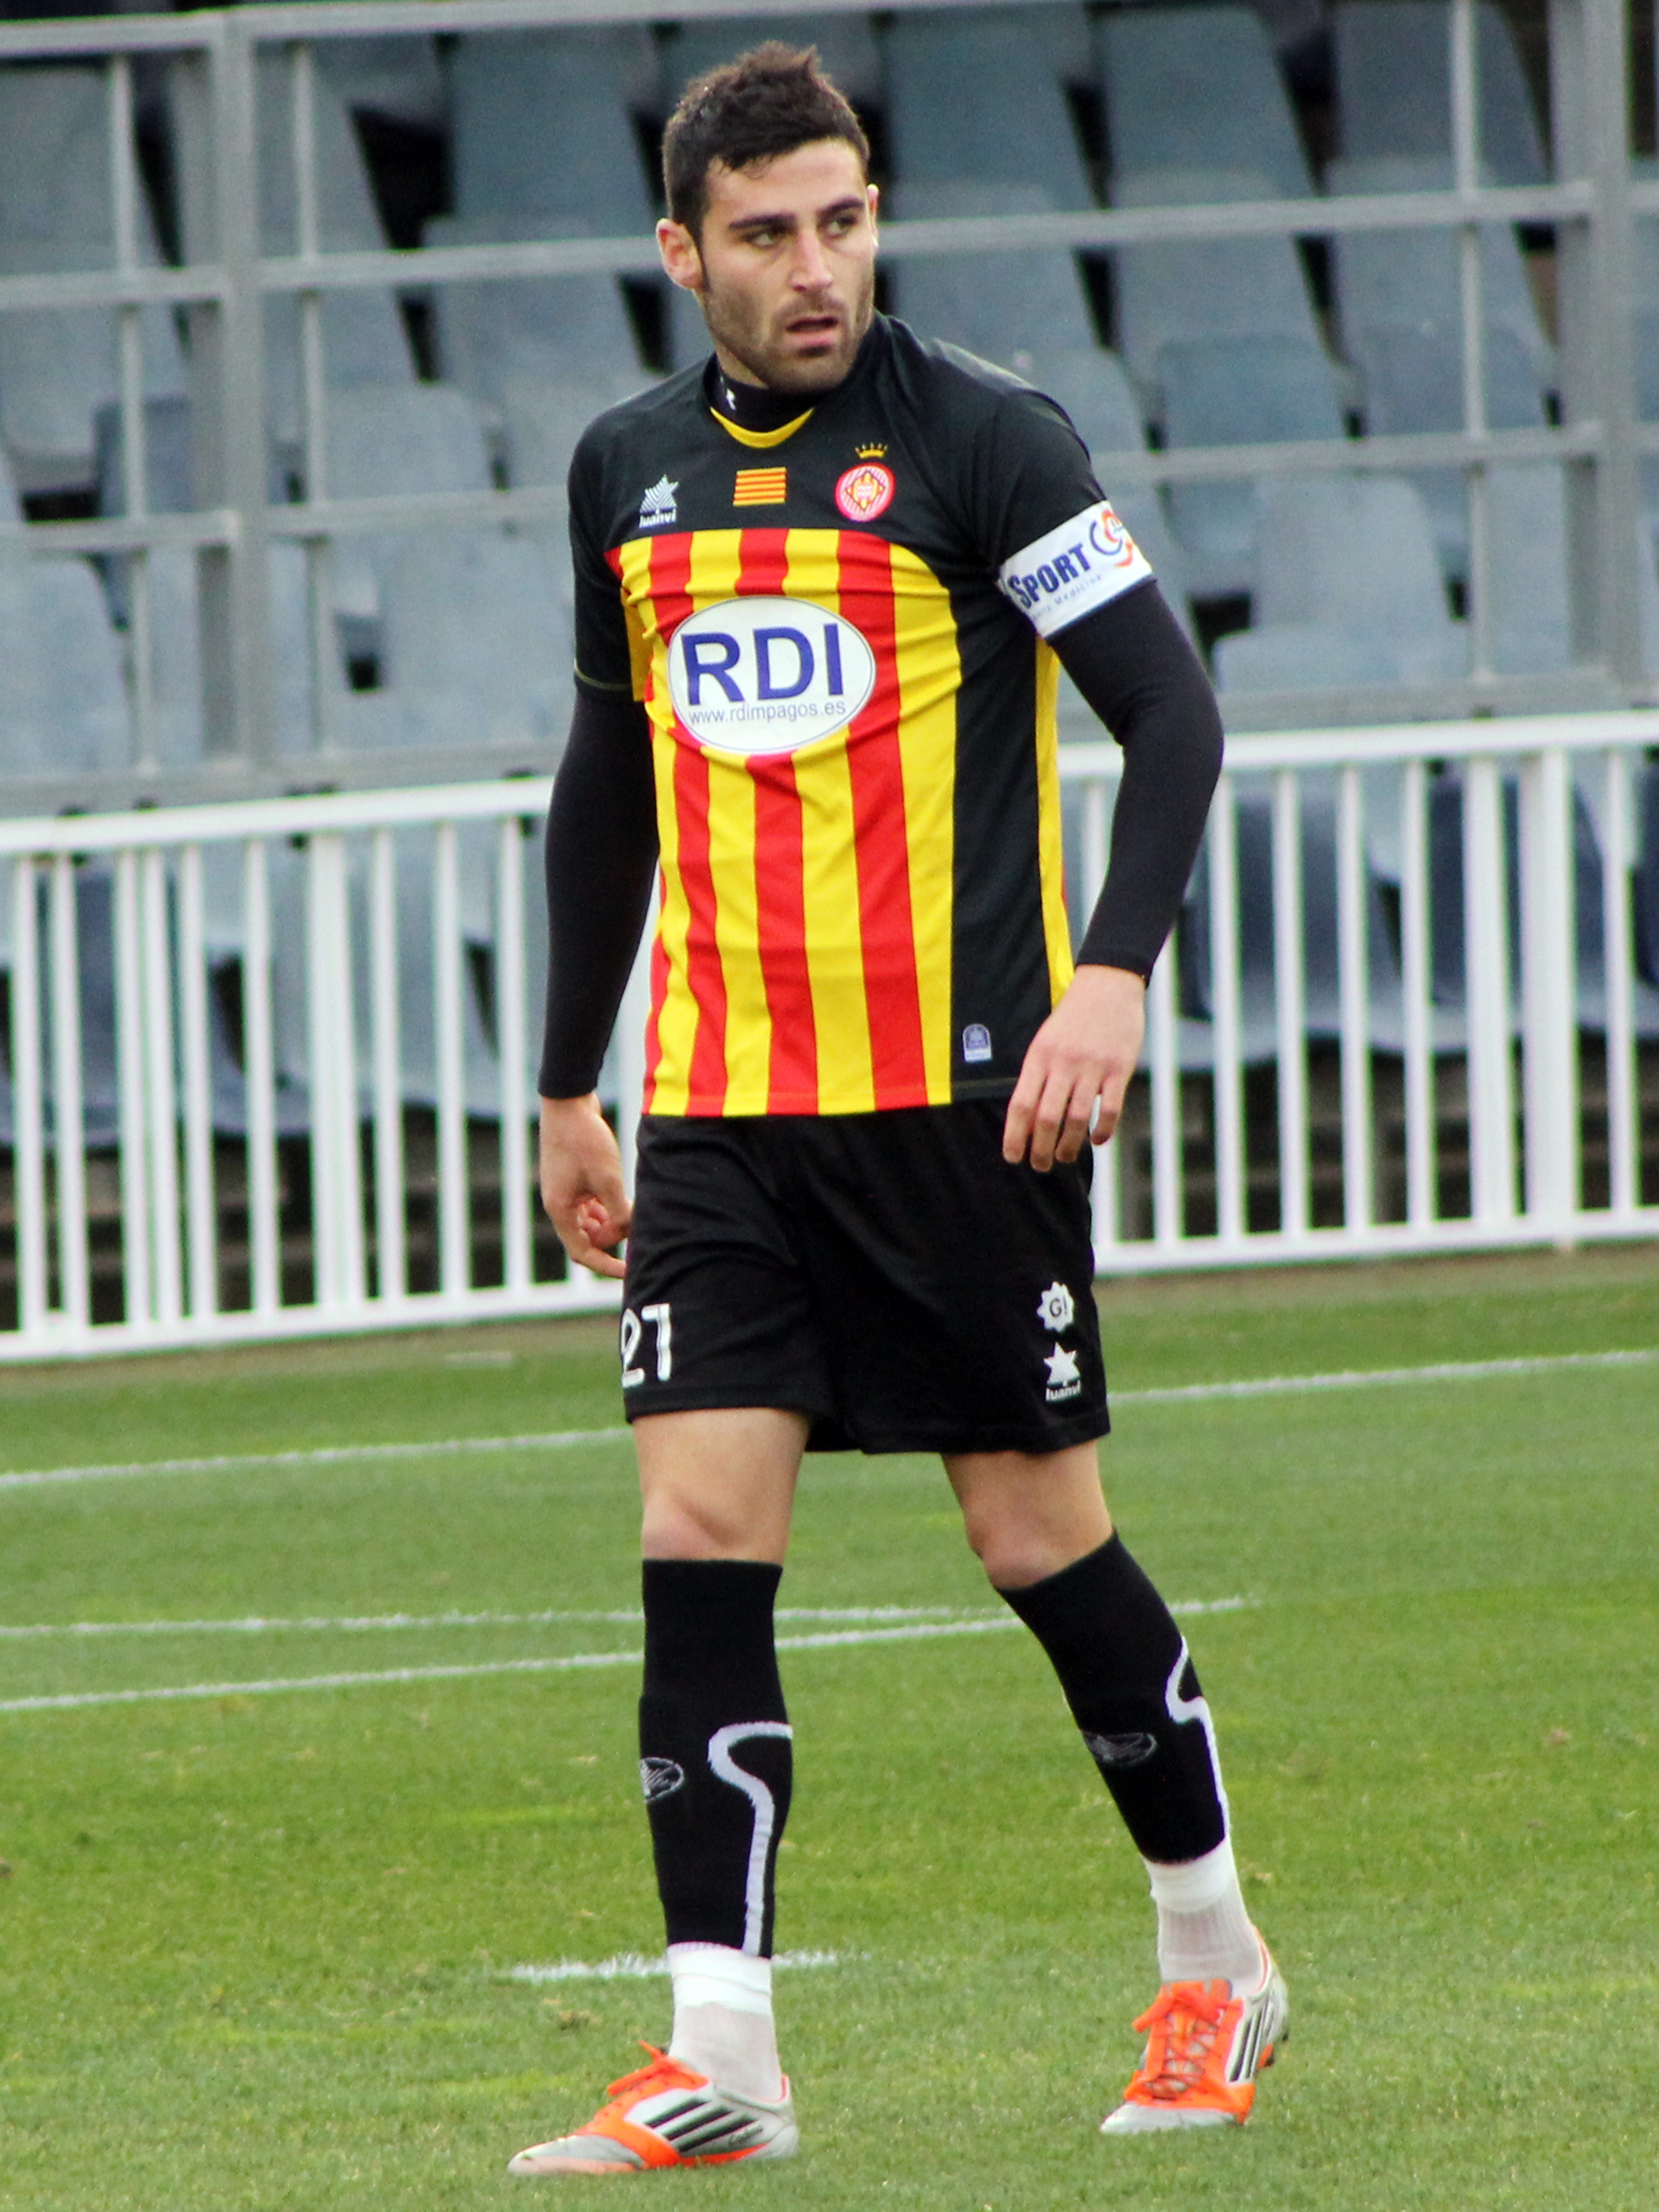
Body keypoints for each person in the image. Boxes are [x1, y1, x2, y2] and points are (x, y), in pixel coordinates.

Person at [512, 44, 1283, 2178]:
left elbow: (1172, 712)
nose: (816, 267)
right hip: (731, 1117)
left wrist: (1109, 979)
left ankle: (1216, 1964)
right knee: (696, 1537)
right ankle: (725, 2056)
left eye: (842, 221)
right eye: (766, 234)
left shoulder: (985, 443)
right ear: (684, 254)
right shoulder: (629, 477)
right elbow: (608, 796)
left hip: (966, 1109)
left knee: (1032, 1535)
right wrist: (569, 1083)